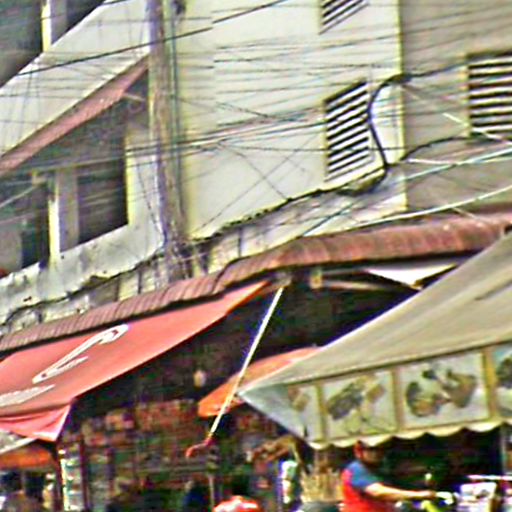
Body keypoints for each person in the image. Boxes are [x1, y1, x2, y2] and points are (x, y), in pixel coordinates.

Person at [341, 442, 437, 512]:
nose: (376, 453)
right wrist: (418, 495)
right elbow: (378, 492)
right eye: (371, 450)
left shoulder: (379, 468)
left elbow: (400, 474)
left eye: (379, 449)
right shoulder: (357, 469)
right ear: (359, 452)